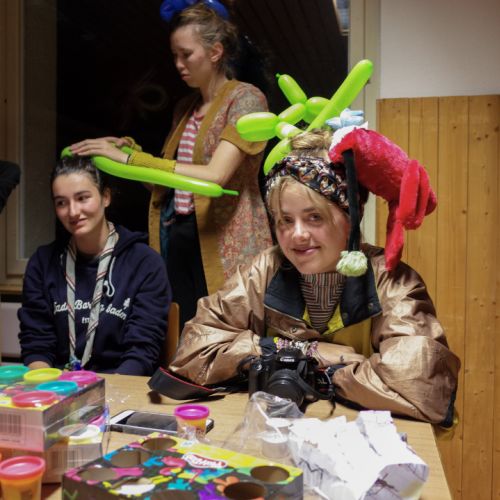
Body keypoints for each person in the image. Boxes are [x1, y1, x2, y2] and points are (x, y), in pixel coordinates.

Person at [166, 129, 460, 425]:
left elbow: (421, 388)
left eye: (314, 217)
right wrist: (308, 352)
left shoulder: (391, 280)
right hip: (274, 430)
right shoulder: (264, 269)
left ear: (351, 217)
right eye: (285, 220)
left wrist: (289, 368)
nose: (297, 235)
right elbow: (194, 352)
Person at [69, 2, 273, 329]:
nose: (178, 64)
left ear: (215, 52)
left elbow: (214, 175)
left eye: (186, 54)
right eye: (175, 55)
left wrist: (135, 160)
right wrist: (125, 152)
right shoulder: (185, 108)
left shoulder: (246, 100)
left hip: (226, 243)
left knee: (226, 334)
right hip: (179, 240)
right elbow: (165, 181)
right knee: (181, 333)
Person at [18, 156, 171, 375]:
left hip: (120, 385)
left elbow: (141, 352)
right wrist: (48, 386)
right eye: (61, 202)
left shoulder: (144, 263)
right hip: (59, 387)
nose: (72, 211)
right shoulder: (42, 263)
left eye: (82, 198)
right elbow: (36, 346)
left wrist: (101, 391)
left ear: (105, 197)